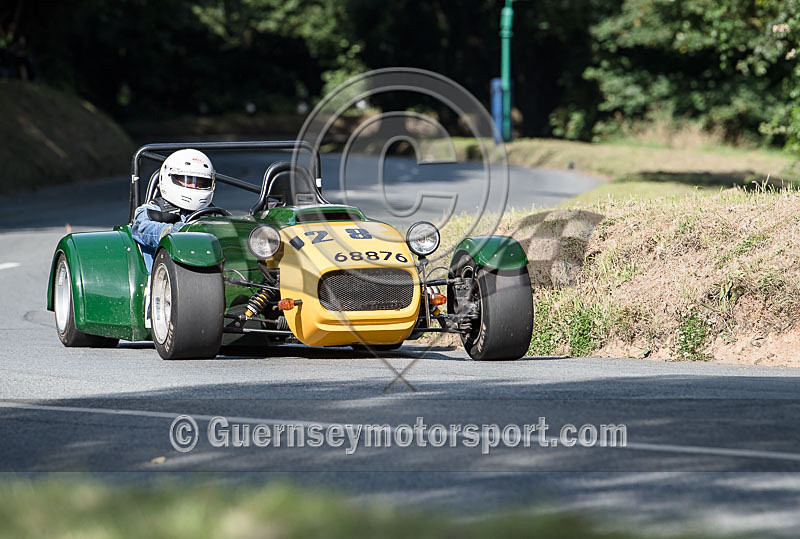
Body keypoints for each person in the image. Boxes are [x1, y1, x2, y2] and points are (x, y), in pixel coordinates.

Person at [131, 149, 216, 272]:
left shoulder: (213, 213)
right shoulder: (150, 211)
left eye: (200, 182)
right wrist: (173, 232)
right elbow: (140, 228)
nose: (193, 186)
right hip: (163, 278)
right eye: (187, 180)